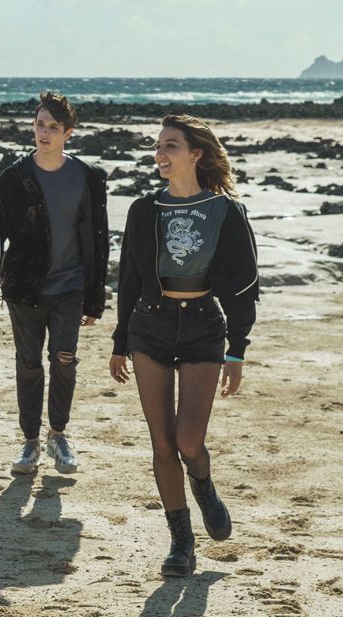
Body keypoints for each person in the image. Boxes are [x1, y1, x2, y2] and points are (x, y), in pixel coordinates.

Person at [109, 114, 259, 577]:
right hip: (150, 326)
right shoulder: (144, 209)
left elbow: (244, 284)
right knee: (161, 442)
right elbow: (129, 278)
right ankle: (181, 541)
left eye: (170, 146)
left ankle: (204, 486)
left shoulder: (225, 211)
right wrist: (119, 341)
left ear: (196, 154)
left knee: (189, 440)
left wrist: (237, 348)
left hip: (202, 327)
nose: (160, 154)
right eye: (158, 146)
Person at [0, 91, 109, 476]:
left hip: (70, 288)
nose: (44, 133)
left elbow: (99, 239)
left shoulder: (88, 178)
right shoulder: (14, 178)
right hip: (24, 289)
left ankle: (58, 435)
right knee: (28, 365)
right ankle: (29, 442)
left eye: (53, 127)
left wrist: (96, 298)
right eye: (40, 125)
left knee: (64, 361)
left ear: (67, 133)